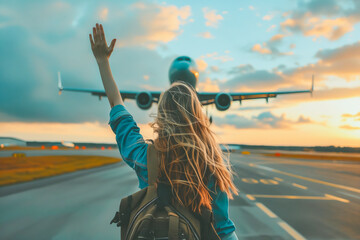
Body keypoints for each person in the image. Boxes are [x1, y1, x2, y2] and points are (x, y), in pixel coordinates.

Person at [89, 23, 239, 240]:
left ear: (162, 116)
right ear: (198, 116)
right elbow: (224, 231)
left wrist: (102, 61)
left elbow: (117, 106)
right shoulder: (210, 165)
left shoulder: (145, 158)